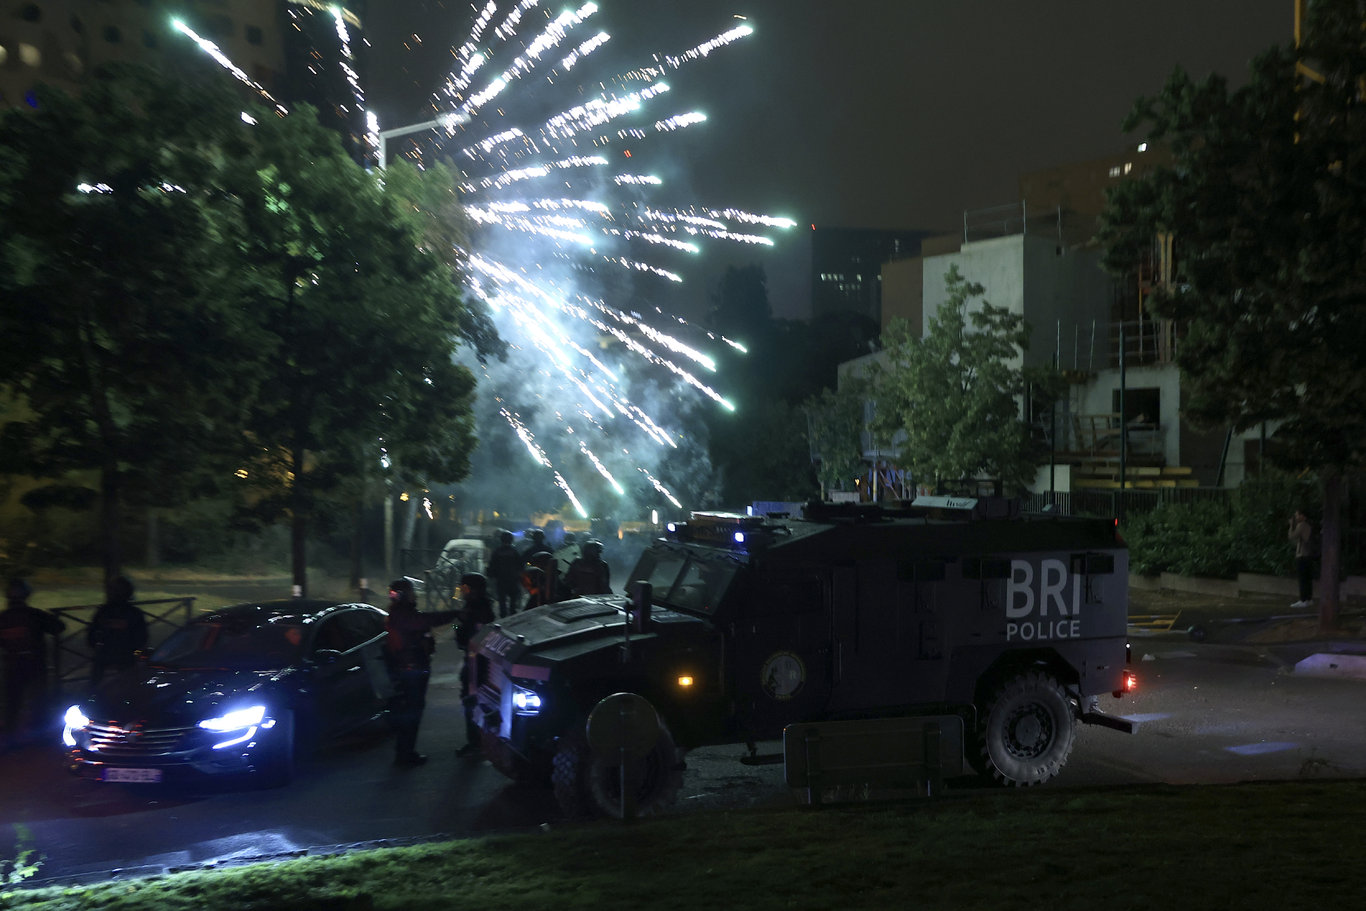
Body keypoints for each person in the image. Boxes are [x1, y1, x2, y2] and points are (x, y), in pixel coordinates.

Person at [383, 578, 459, 767]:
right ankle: (405, 754)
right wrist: (455, 614)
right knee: (411, 712)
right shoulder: (403, 615)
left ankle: (406, 752)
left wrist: (455, 621)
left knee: (410, 711)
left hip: (411, 666)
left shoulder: (400, 613)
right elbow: (427, 620)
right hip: (411, 668)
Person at [0, 578, 66, 747]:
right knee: (39, 701)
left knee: (13, 702)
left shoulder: (4, 617)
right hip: (34, 664)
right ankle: (39, 736)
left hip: (13, 664)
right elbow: (59, 627)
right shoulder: (34, 615)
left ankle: (10, 736)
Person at [455, 572, 495, 758]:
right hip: (473, 658)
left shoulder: (479, 610)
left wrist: (459, 625)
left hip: (476, 661)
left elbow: (471, 635)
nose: (462, 592)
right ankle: (476, 741)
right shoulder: (474, 607)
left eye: (465, 588)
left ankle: (478, 742)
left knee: (473, 700)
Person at [87, 576, 148, 686]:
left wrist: (97, 647)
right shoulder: (134, 613)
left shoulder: (104, 611)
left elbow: (92, 633)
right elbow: (142, 638)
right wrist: (135, 653)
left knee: (97, 681)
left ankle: (92, 697)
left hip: (109, 653)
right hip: (124, 654)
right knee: (128, 683)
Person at [485, 530, 524, 618]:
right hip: (513, 580)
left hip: (501, 580)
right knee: (513, 600)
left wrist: (491, 577)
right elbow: (520, 565)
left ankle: (503, 616)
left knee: (502, 600)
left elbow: (492, 565)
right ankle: (512, 614)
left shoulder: (497, 551)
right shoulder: (514, 551)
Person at [1288, 510, 1316, 609]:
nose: (1296, 517)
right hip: (1309, 554)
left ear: (1303, 516)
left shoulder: (1302, 525)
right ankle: (1309, 599)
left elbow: (1292, 536)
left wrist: (1291, 525)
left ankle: (1303, 599)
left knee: (1302, 578)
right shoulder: (1309, 525)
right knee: (1307, 578)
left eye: (1297, 515)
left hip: (1302, 555)